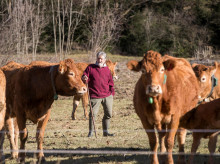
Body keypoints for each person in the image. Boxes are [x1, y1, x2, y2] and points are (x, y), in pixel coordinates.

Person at [82, 51, 115, 137]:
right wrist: (84, 78)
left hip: (107, 95)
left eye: (101, 59)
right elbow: (84, 76)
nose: (99, 60)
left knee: (108, 114)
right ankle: (91, 132)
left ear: (104, 60)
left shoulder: (107, 69)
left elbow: (110, 82)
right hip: (95, 95)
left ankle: (106, 132)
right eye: (98, 58)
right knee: (93, 115)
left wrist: (112, 92)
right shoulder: (90, 68)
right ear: (96, 59)